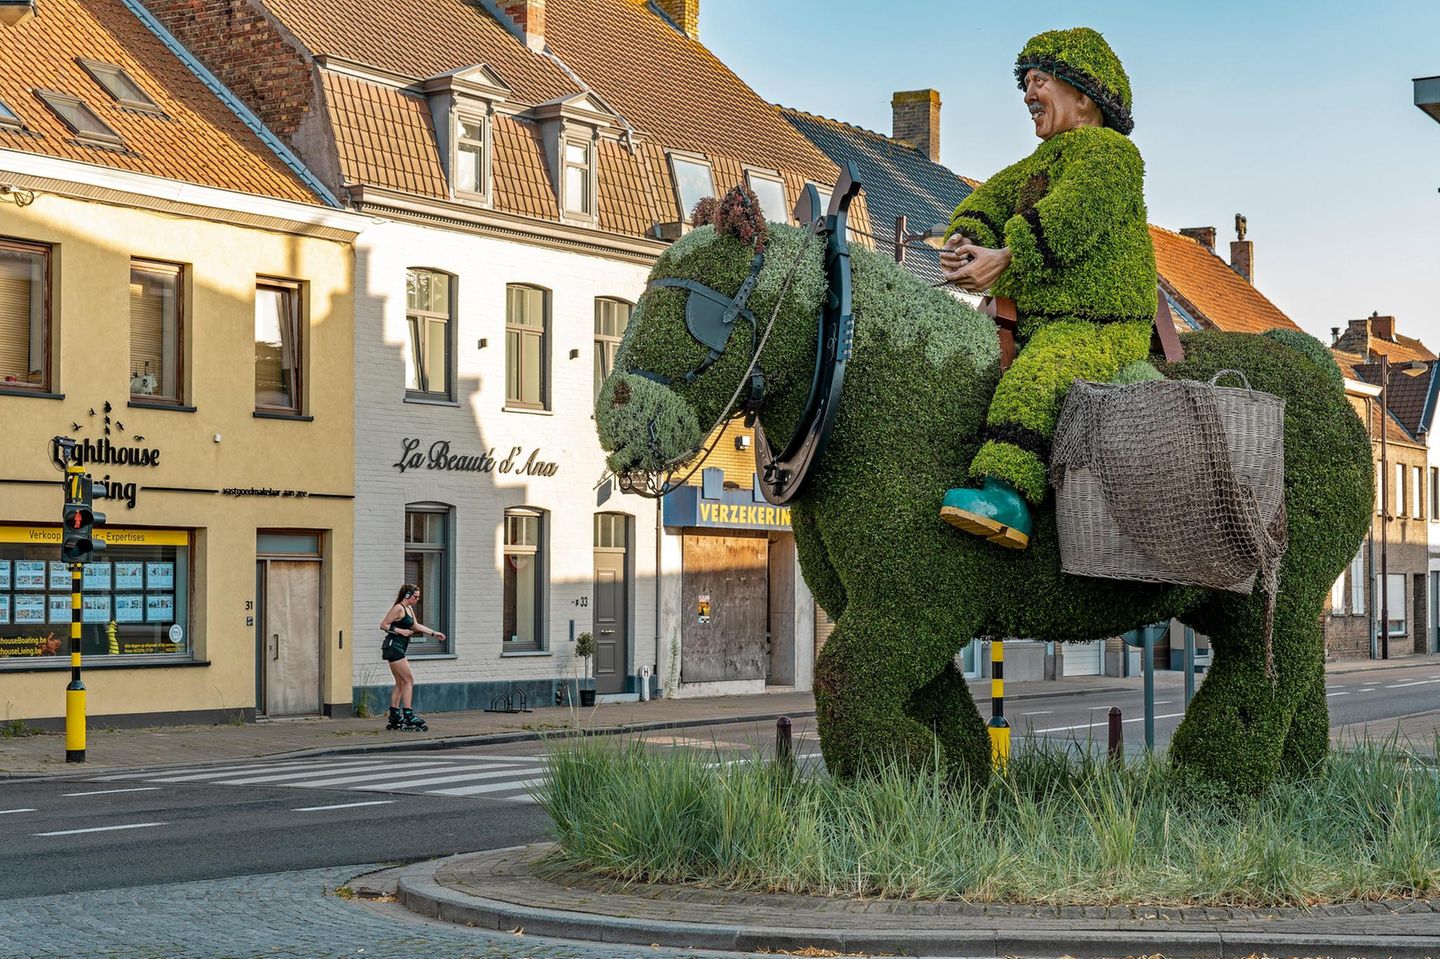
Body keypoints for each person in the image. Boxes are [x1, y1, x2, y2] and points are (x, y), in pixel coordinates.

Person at [938, 27, 1157, 550]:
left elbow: (1073, 215)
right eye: (1026, 84)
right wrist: (966, 240)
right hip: (1028, 320)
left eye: (1040, 82)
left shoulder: (1110, 156)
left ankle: (1007, 499)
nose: (1028, 95)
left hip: (1096, 324)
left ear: (1083, 95)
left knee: (1037, 377)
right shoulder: (1034, 165)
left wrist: (1006, 257)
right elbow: (986, 202)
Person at [379, 584, 445, 730]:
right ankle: (409, 715)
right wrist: (401, 631)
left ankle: (394, 716)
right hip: (393, 647)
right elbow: (384, 625)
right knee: (409, 680)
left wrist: (434, 633)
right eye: (416, 597)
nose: (417, 599)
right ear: (407, 595)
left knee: (400, 682)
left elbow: (415, 626)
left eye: (418, 597)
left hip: (398, 647)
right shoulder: (399, 608)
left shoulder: (409, 609)